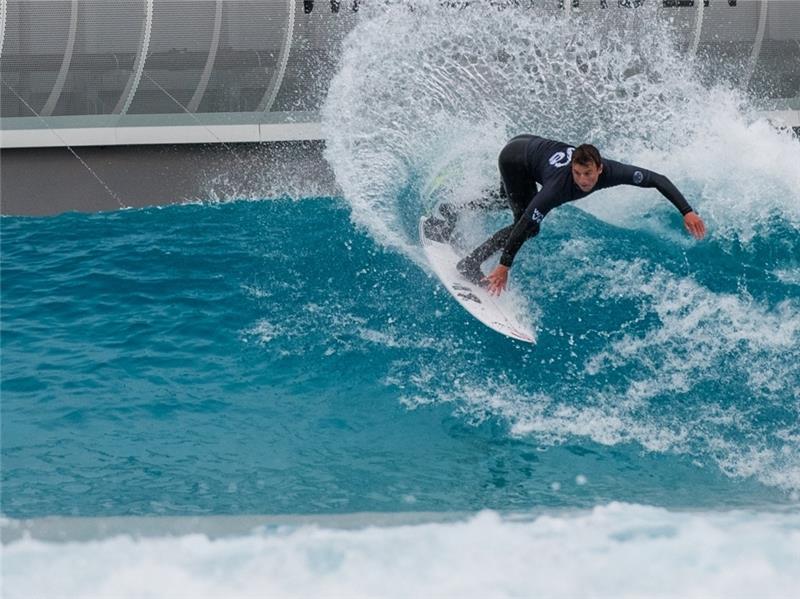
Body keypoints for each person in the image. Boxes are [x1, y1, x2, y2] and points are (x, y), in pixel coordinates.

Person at [424, 134, 706, 296]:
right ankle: (470, 264)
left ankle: (452, 211)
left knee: (504, 198)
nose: (582, 180)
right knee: (526, 223)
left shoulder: (614, 171)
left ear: (600, 169)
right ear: (572, 169)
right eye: (577, 173)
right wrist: (504, 266)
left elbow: (656, 178)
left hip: (525, 146)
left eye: (587, 174)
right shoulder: (559, 186)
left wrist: (687, 210)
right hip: (514, 158)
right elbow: (524, 225)